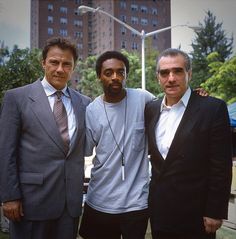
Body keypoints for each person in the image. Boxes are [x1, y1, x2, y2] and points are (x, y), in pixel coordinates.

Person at [0, 37, 91, 239]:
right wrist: (9, 197)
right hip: (31, 203)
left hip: (70, 205)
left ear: (73, 67)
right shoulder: (17, 98)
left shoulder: (84, 103)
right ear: (43, 63)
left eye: (67, 64)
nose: (60, 69)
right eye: (54, 62)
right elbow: (6, 152)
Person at [145, 48, 232, 239]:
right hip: (160, 213)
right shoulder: (151, 109)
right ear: (158, 77)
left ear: (189, 74)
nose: (171, 78)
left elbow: (221, 166)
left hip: (196, 216)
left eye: (177, 71)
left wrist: (215, 211)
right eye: (164, 73)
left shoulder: (212, 108)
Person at [79, 51, 155, 239]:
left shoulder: (143, 98)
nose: (115, 77)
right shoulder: (92, 110)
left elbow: (170, 109)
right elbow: (86, 150)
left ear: (126, 74)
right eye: (108, 72)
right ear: (99, 76)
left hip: (136, 203)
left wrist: (194, 97)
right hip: (99, 200)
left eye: (120, 72)